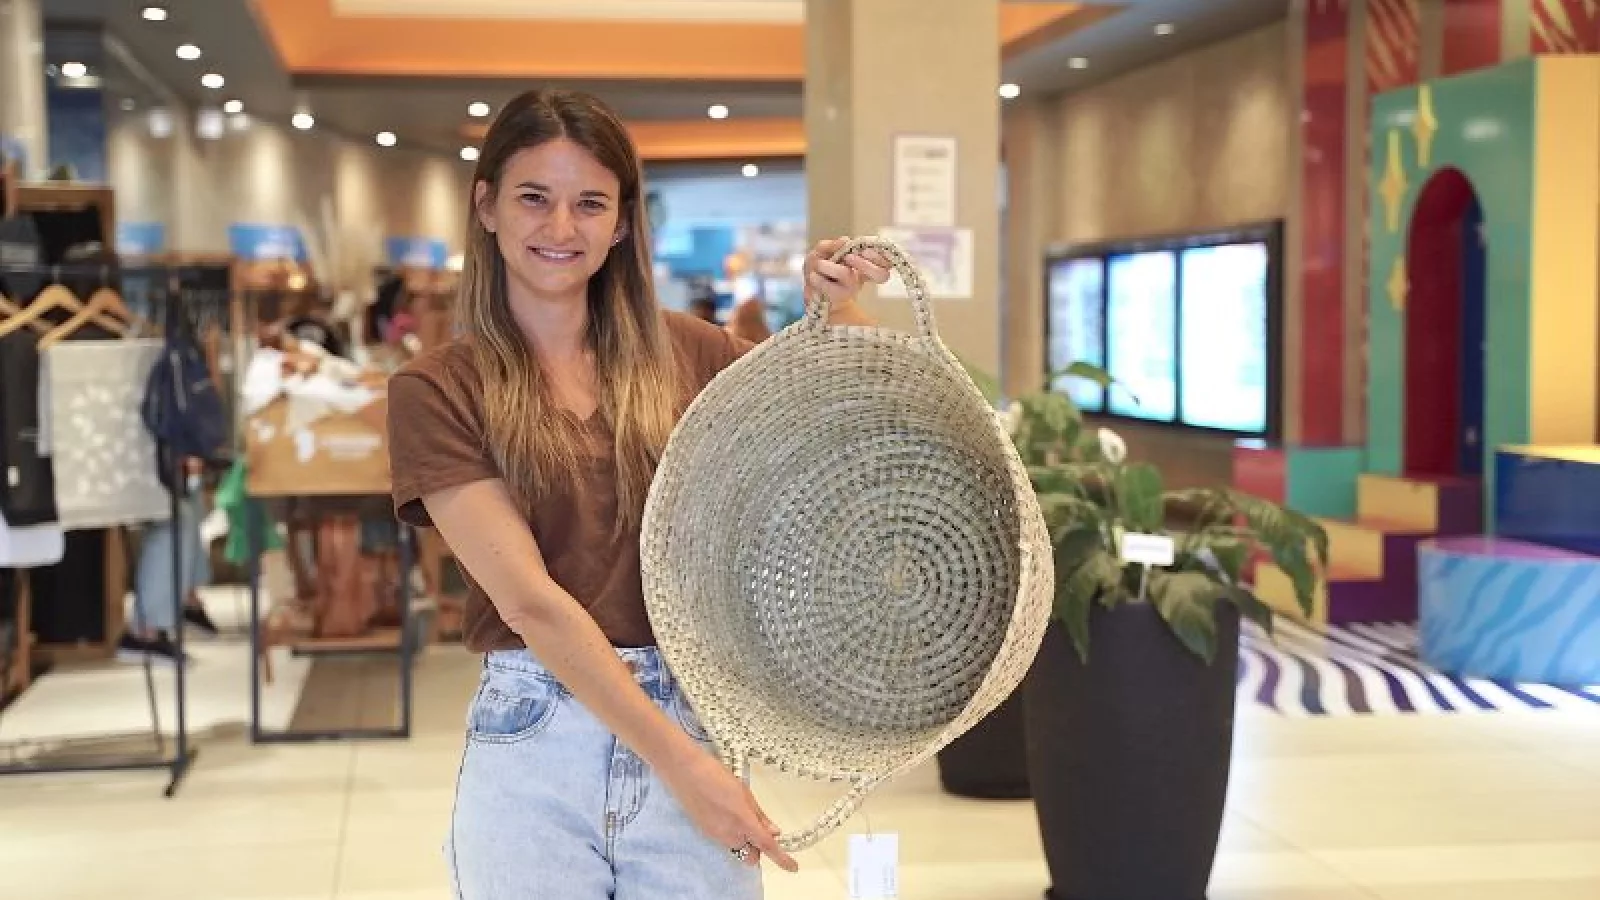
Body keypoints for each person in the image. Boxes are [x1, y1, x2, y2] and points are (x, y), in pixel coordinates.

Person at [385, 88, 889, 900]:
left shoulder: (687, 355)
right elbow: (530, 603)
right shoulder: (439, 389)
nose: (561, 228)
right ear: (486, 206)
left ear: (622, 223)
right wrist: (686, 767)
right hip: (537, 734)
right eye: (533, 198)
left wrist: (840, 305)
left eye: (590, 203)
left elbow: (858, 404)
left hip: (689, 700)